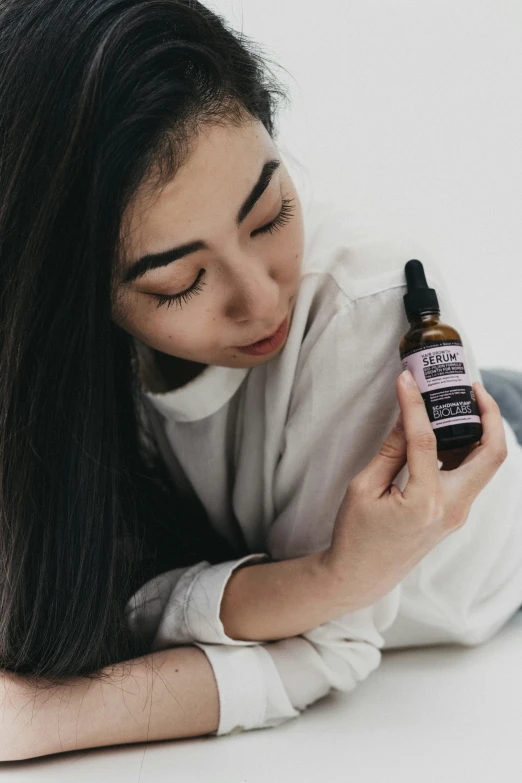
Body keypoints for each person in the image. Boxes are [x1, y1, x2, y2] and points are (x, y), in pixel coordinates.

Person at [1, 0, 522, 761]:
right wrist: (321, 575)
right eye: (180, 280)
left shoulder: (361, 307)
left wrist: (42, 717)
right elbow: (133, 594)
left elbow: (325, 645)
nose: (261, 298)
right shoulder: (45, 358)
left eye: (270, 212)